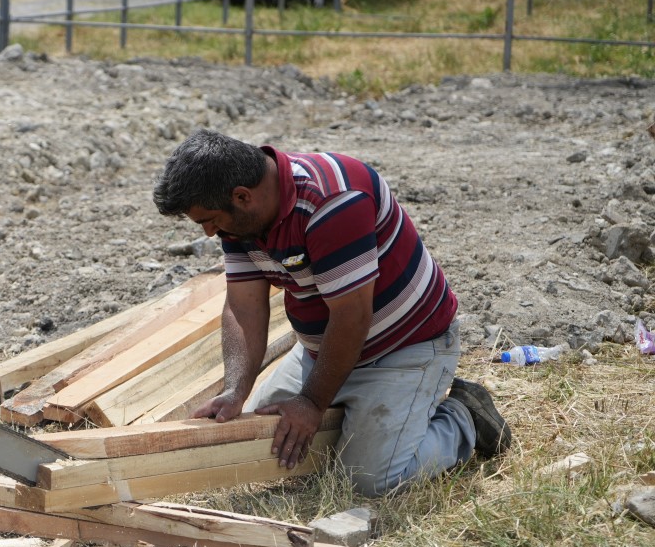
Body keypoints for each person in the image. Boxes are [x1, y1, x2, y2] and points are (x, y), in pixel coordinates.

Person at [152, 129, 511, 499]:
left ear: (242, 197)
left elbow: (353, 317)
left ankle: (463, 417)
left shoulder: (334, 200)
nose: (209, 232)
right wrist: (235, 389)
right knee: (263, 430)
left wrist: (310, 402)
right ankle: (352, 416)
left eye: (208, 220)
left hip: (403, 350)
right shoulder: (242, 215)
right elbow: (245, 305)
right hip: (325, 349)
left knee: (370, 481)